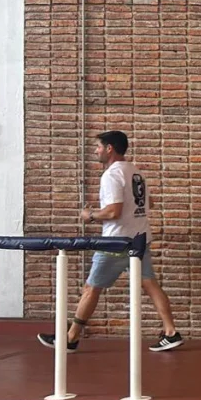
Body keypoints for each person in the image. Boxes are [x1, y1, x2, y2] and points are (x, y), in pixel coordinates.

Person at [38, 131, 183, 352]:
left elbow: (114, 212)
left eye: (98, 146)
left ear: (109, 148)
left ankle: (71, 338)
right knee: (150, 284)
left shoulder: (112, 175)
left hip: (115, 243)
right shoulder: (135, 172)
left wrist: (90, 215)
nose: (95, 151)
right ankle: (171, 332)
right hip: (139, 240)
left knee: (91, 288)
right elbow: (149, 203)